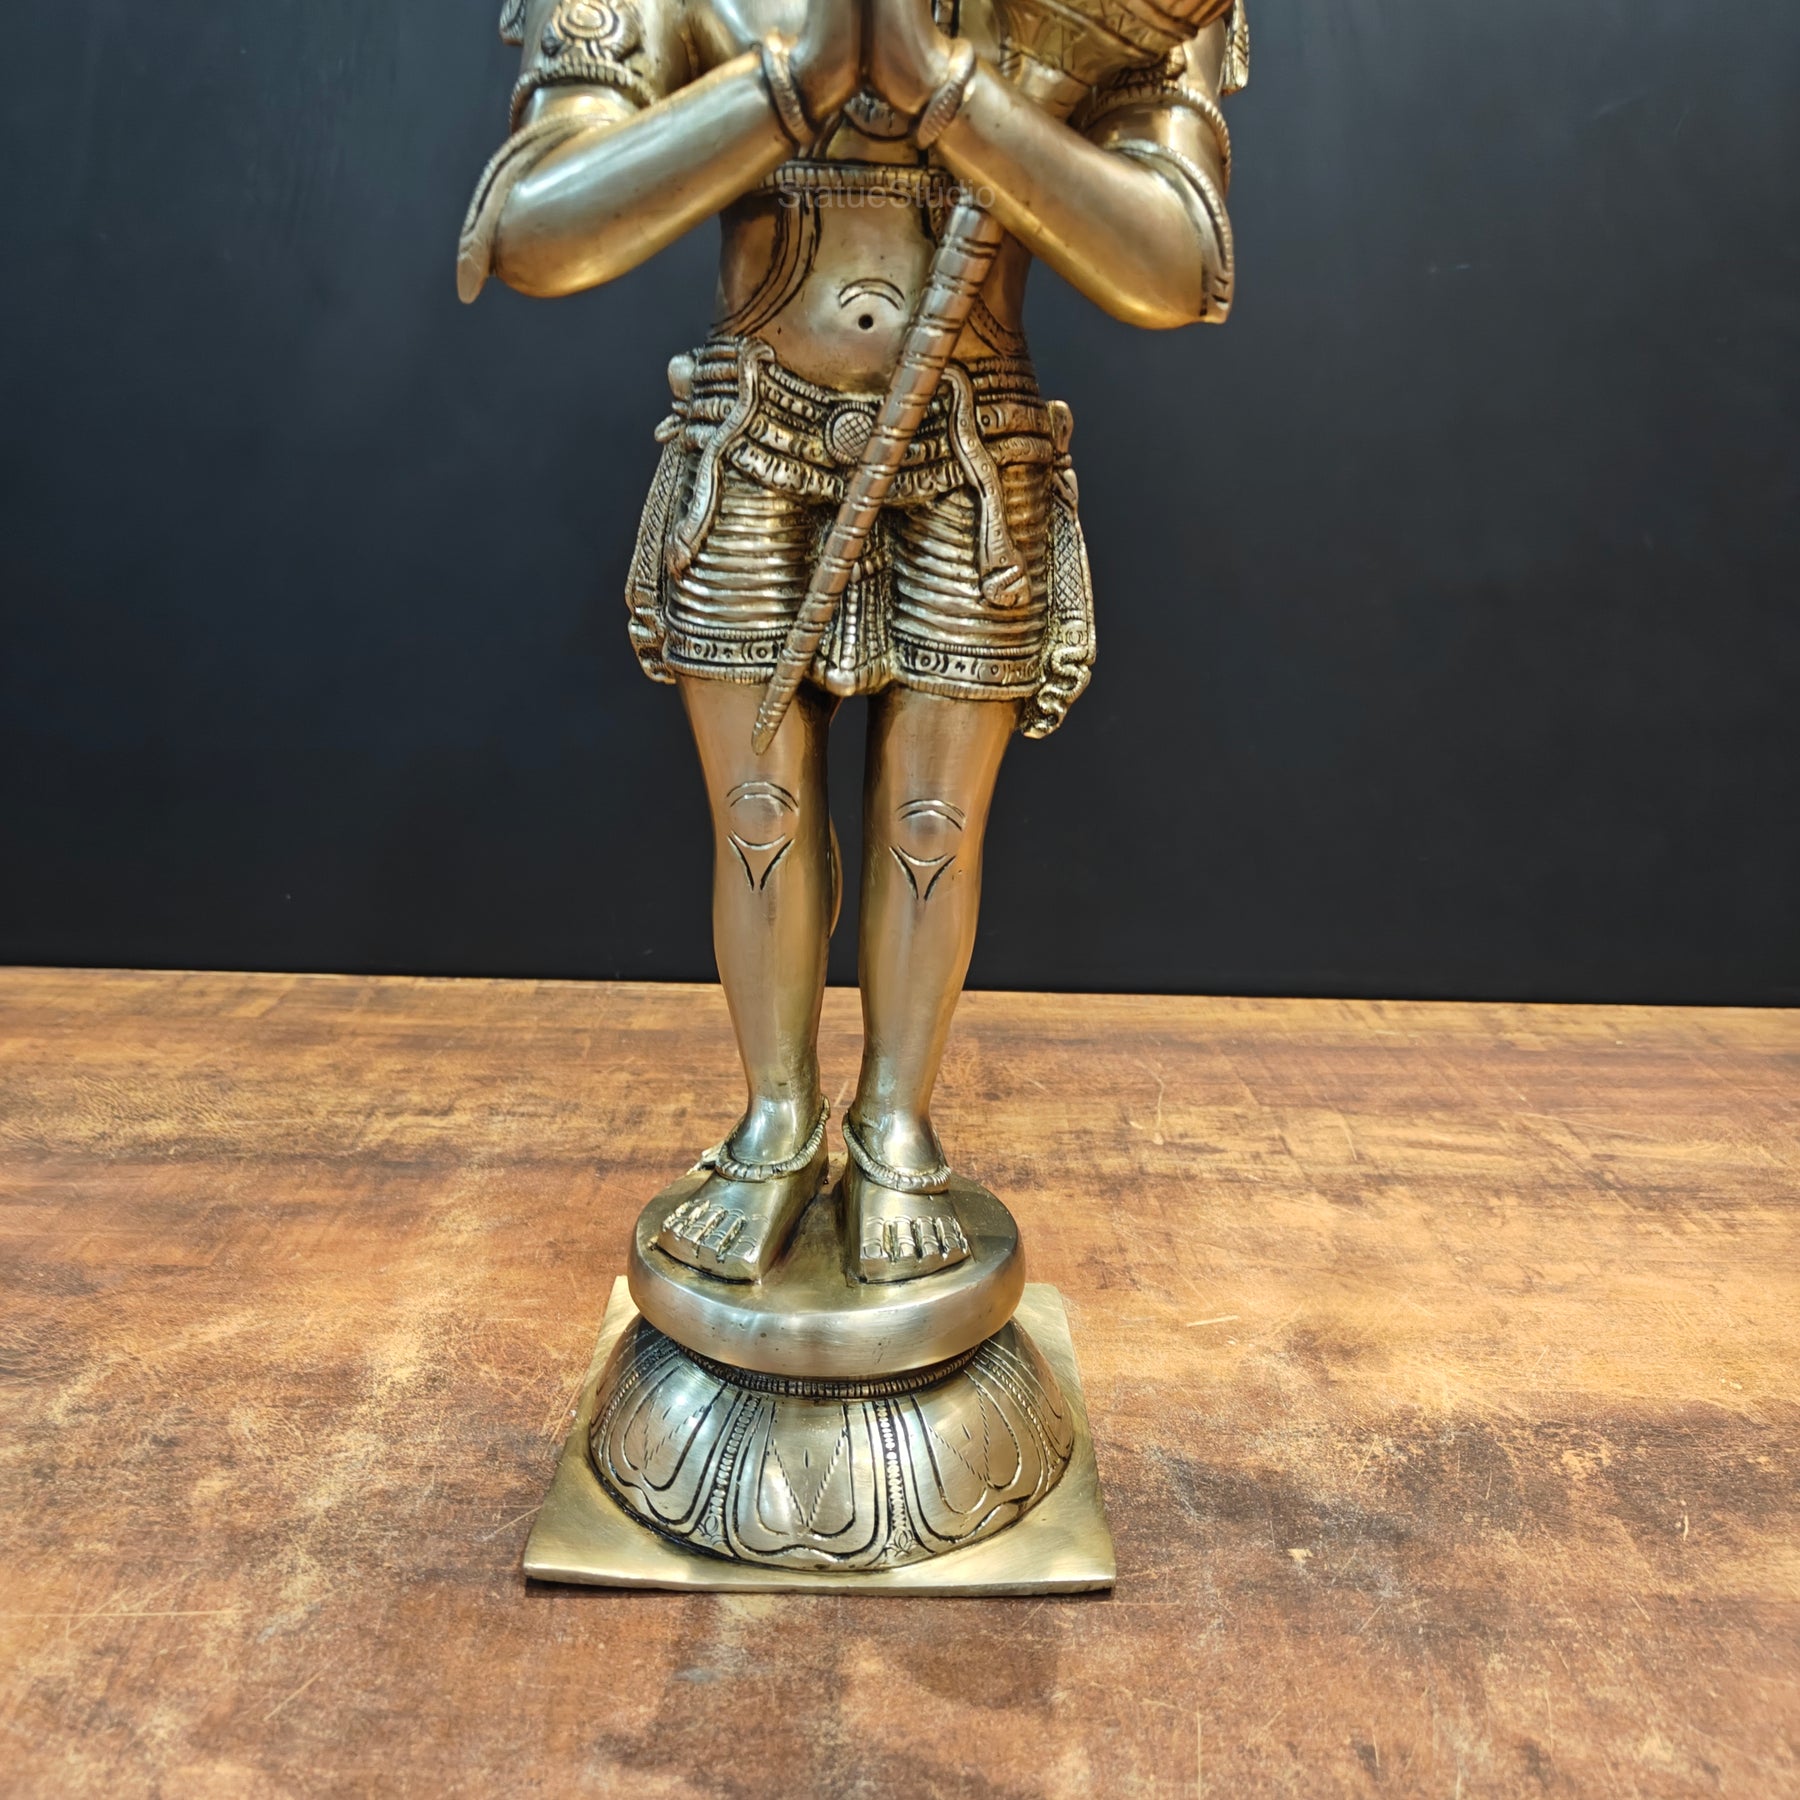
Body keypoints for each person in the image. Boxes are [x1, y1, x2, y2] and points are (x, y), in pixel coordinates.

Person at [460, 0, 1245, 1284]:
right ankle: (775, 1120)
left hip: (971, 444)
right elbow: (532, 229)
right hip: (753, 427)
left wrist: (952, 95)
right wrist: (800, 78)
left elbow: (1179, 263)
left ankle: (894, 1126)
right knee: (758, 815)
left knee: (931, 826)